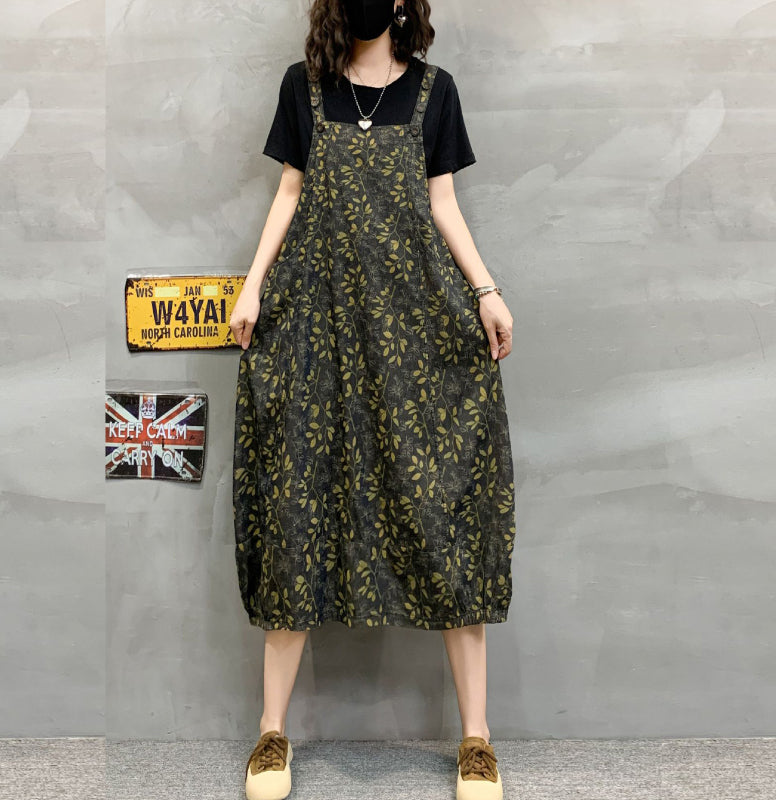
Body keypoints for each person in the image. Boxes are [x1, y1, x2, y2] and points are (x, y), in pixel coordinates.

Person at [228, 1, 516, 798]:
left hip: (412, 323)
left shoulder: (434, 90)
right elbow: (290, 191)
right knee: (297, 507)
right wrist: (253, 287)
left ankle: (477, 739)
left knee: (444, 509)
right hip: (316, 320)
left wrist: (485, 290)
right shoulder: (304, 87)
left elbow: (441, 202)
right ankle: (272, 732)